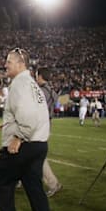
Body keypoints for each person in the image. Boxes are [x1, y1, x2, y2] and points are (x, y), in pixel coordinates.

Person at [0, 48, 50, 211]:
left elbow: (29, 115)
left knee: (2, 186)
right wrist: (9, 124)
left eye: (9, 62)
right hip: (38, 144)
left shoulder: (19, 84)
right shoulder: (32, 84)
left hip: (23, 146)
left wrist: (18, 136)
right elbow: (38, 113)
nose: (5, 65)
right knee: (35, 190)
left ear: (21, 63)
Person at [34, 67, 62, 197]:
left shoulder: (40, 91)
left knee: (37, 155)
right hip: (47, 124)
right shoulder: (52, 91)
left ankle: (53, 183)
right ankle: (22, 179)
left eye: (36, 76)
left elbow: (35, 108)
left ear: (40, 76)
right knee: (27, 153)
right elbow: (58, 106)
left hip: (39, 125)